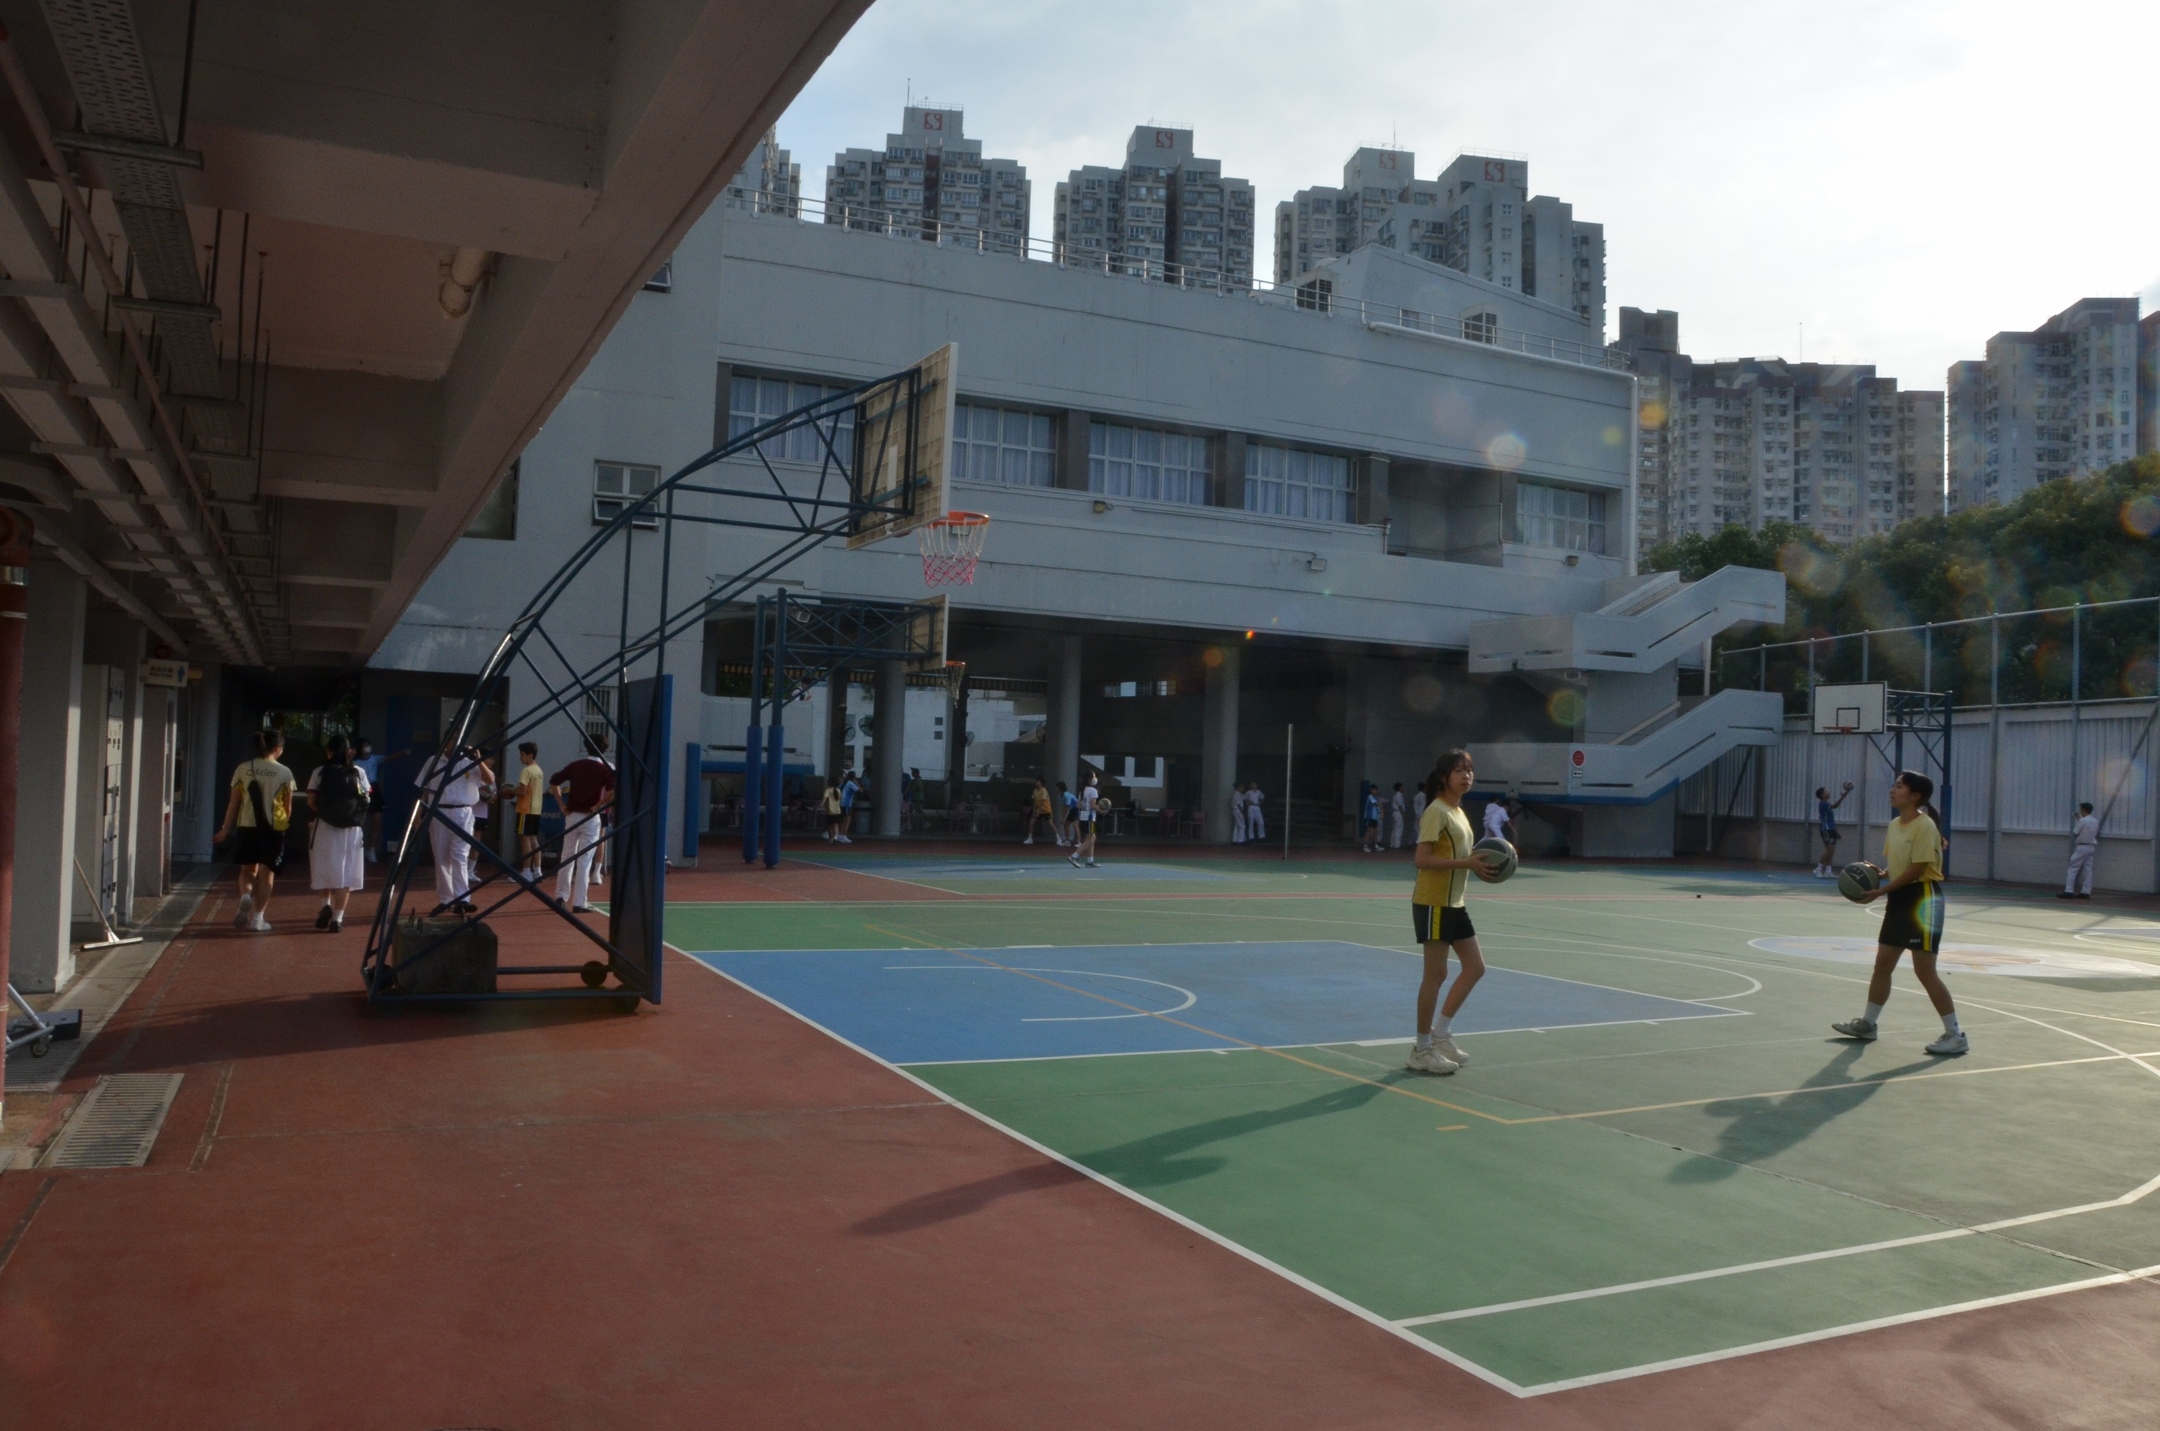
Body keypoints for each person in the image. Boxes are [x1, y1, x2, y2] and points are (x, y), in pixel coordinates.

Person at [1833, 770, 1965, 1056]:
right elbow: (1899, 864)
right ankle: (1868, 1024)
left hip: (1922, 900)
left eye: (1899, 786)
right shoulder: (1895, 824)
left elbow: (1918, 868)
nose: (1892, 790)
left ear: (1915, 795)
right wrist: (1882, 874)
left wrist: (1880, 891)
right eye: (1894, 785)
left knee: (1924, 971)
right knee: (1882, 965)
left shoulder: (1925, 826)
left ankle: (1956, 1035)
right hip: (1899, 899)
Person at [1406, 751, 1500, 1075]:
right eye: (1459, 770)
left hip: (1455, 902)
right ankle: (1421, 1049)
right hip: (1433, 902)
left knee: (1475, 967)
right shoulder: (1436, 811)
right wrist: (1466, 863)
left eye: (1470, 770)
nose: (1466, 775)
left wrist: (1485, 861)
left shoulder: (1458, 812)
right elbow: (1421, 860)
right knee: (1435, 976)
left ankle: (1441, 1034)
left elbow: (1461, 854)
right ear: (1444, 776)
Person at [217, 729, 295, 932]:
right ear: (277, 748)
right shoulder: (285, 772)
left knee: (247, 870)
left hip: (247, 825)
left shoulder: (243, 768)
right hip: (273, 828)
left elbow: (234, 802)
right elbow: (287, 807)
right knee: (267, 875)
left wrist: (226, 828)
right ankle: (258, 919)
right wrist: (284, 825)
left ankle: (245, 896)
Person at [415, 736, 493, 915]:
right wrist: (418, 814)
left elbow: (488, 780)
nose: (457, 744)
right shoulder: (433, 762)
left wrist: (478, 759)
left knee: (459, 855)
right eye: (453, 740)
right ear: (446, 742)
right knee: (441, 857)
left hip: (463, 811)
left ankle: (463, 898)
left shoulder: (469, 762)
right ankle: (446, 899)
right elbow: (424, 789)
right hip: (439, 811)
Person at [305, 735, 370, 932]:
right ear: (349, 752)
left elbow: (311, 801)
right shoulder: (359, 772)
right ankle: (337, 919)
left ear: (329, 752)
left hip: (325, 827)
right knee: (346, 874)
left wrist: (325, 813)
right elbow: (366, 800)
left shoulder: (319, 772)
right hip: (351, 830)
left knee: (323, 868)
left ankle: (325, 905)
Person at [551, 734, 616, 915]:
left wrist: (561, 804)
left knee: (567, 856)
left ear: (587, 746)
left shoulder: (576, 765)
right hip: (591, 817)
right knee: (585, 860)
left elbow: (554, 781)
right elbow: (612, 790)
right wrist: (598, 805)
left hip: (572, 815)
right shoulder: (606, 768)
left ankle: (561, 896)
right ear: (605, 749)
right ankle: (580, 902)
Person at [513, 742, 547, 881]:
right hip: (536, 809)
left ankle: (526, 871)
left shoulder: (526, 771)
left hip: (525, 808)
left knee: (525, 839)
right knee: (533, 838)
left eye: (522, 755)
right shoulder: (538, 770)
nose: (520, 757)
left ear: (530, 755)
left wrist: (509, 791)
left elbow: (522, 791)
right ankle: (537, 870)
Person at [1813, 780, 1856, 878]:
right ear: (1822, 795)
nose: (1828, 792)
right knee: (1829, 850)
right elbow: (1835, 806)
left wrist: (1836, 831)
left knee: (1830, 851)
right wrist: (1843, 796)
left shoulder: (1826, 804)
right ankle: (1818, 869)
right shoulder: (1823, 804)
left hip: (1830, 829)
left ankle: (1828, 871)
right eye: (1826, 791)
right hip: (1826, 829)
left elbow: (1831, 820)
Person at [353, 737, 384, 864]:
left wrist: (403, 753)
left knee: (376, 822)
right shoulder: (355, 763)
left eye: (368, 745)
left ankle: (371, 851)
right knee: (362, 822)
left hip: (374, 790)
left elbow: (389, 757)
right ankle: (358, 849)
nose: (367, 748)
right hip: (361, 791)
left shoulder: (375, 759)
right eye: (364, 745)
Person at [2062, 801, 2100, 900]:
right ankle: (2086, 892)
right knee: (2088, 870)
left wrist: (2079, 820)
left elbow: (2075, 833)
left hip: (2082, 846)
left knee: (2073, 868)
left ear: (2083, 810)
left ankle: (2068, 891)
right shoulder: (2095, 821)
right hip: (2091, 846)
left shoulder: (2082, 821)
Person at [1068, 773, 1101, 868]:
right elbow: (1093, 806)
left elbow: (1079, 805)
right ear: (1089, 779)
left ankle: (1090, 860)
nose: (1095, 778)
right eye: (1093, 776)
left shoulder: (1082, 790)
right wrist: (1102, 810)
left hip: (1083, 817)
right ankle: (1074, 856)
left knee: (1092, 838)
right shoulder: (1093, 790)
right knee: (1089, 840)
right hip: (1090, 818)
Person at [1025, 778, 1054, 845]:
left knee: (1050, 823)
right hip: (1038, 810)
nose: (1036, 782)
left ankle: (1058, 838)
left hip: (1046, 810)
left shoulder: (1044, 790)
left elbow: (1042, 801)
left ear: (1041, 783)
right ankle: (1030, 838)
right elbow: (1035, 802)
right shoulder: (1035, 790)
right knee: (1031, 822)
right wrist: (1034, 811)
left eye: (1037, 781)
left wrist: (1038, 810)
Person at [838, 769, 860, 843]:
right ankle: (844, 835)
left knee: (842, 820)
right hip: (847, 804)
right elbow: (860, 790)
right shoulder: (850, 783)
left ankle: (840, 835)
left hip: (840, 803)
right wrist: (856, 782)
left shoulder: (842, 784)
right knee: (847, 820)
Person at [1360, 783, 1381, 852]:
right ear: (1370, 790)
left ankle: (1376, 846)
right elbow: (1376, 804)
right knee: (1369, 831)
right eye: (1373, 790)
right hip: (1370, 816)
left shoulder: (1375, 798)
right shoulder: (1370, 796)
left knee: (1375, 832)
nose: (1375, 791)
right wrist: (1381, 804)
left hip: (1375, 817)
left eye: (1376, 790)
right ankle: (1365, 846)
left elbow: (1377, 807)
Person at [1057, 780, 1077, 846]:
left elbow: (1067, 808)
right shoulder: (1061, 795)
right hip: (1071, 810)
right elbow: (1063, 807)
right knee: (1066, 824)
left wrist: (1064, 819)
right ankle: (1067, 841)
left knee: (1075, 825)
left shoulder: (1066, 795)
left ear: (1060, 787)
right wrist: (1063, 818)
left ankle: (1078, 841)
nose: (1056, 788)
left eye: (1057, 787)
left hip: (1075, 809)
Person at [1389, 782, 1408, 850]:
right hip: (1398, 813)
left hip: (1395, 813)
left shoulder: (1396, 795)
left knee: (1394, 829)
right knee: (1398, 829)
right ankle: (1397, 845)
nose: (1403, 788)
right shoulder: (1399, 796)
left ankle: (1393, 844)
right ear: (1399, 788)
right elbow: (1400, 806)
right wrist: (1404, 815)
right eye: (1402, 787)